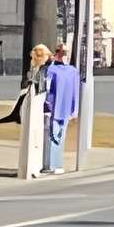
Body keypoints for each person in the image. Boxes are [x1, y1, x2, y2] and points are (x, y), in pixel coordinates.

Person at [43, 43, 80, 174]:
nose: (64, 55)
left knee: (59, 136)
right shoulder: (51, 70)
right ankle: (53, 164)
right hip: (53, 107)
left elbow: (76, 91)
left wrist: (74, 110)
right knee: (54, 136)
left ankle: (56, 164)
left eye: (66, 53)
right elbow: (47, 89)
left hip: (65, 108)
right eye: (62, 52)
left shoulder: (73, 71)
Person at [7, 43, 51, 125]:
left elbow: (42, 87)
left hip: (39, 98)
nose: (34, 58)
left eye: (37, 56)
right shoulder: (36, 66)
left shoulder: (44, 69)